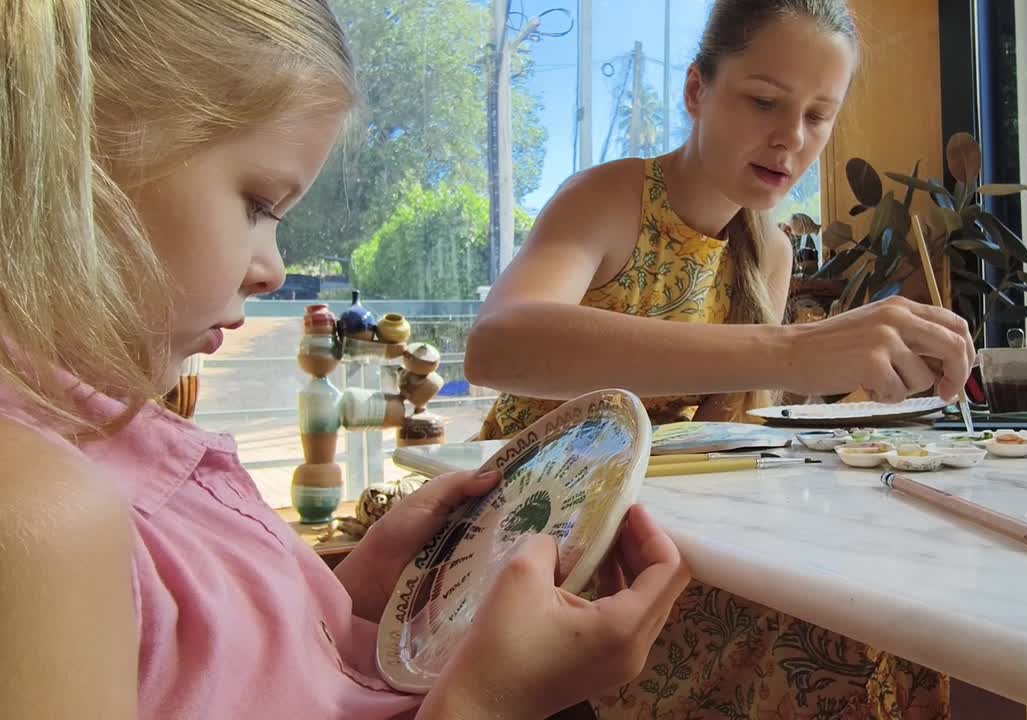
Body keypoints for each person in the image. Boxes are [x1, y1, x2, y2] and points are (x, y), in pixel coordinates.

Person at [0, 2, 687, 718]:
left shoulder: (107, 446)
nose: (272, 268)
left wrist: (354, 594)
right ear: (64, 145)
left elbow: (225, 675)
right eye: (260, 203)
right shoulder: (40, 521)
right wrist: (492, 701)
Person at [466, 0, 973, 717]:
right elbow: (498, 344)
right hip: (535, 531)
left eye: (818, 116)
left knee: (892, 615)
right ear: (698, 90)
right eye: (764, 100)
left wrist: (848, 404)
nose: (790, 139)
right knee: (834, 647)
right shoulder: (613, 199)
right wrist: (792, 351)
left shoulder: (768, 250)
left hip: (663, 534)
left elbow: (721, 434)